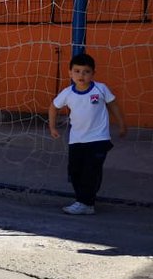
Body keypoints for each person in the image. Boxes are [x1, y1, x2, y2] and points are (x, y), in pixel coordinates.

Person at [48, 52, 127, 215]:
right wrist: (52, 127)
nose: (81, 75)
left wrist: (122, 124)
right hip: (76, 140)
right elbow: (53, 107)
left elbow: (113, 105)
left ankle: (86, 203)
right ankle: (83, 201)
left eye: (86, 72)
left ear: (93, 73)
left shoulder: (101, 89)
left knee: (91, 171)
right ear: (70, 73)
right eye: (77, 71)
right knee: (75, 171)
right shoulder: (67, 93)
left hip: (99, 139)